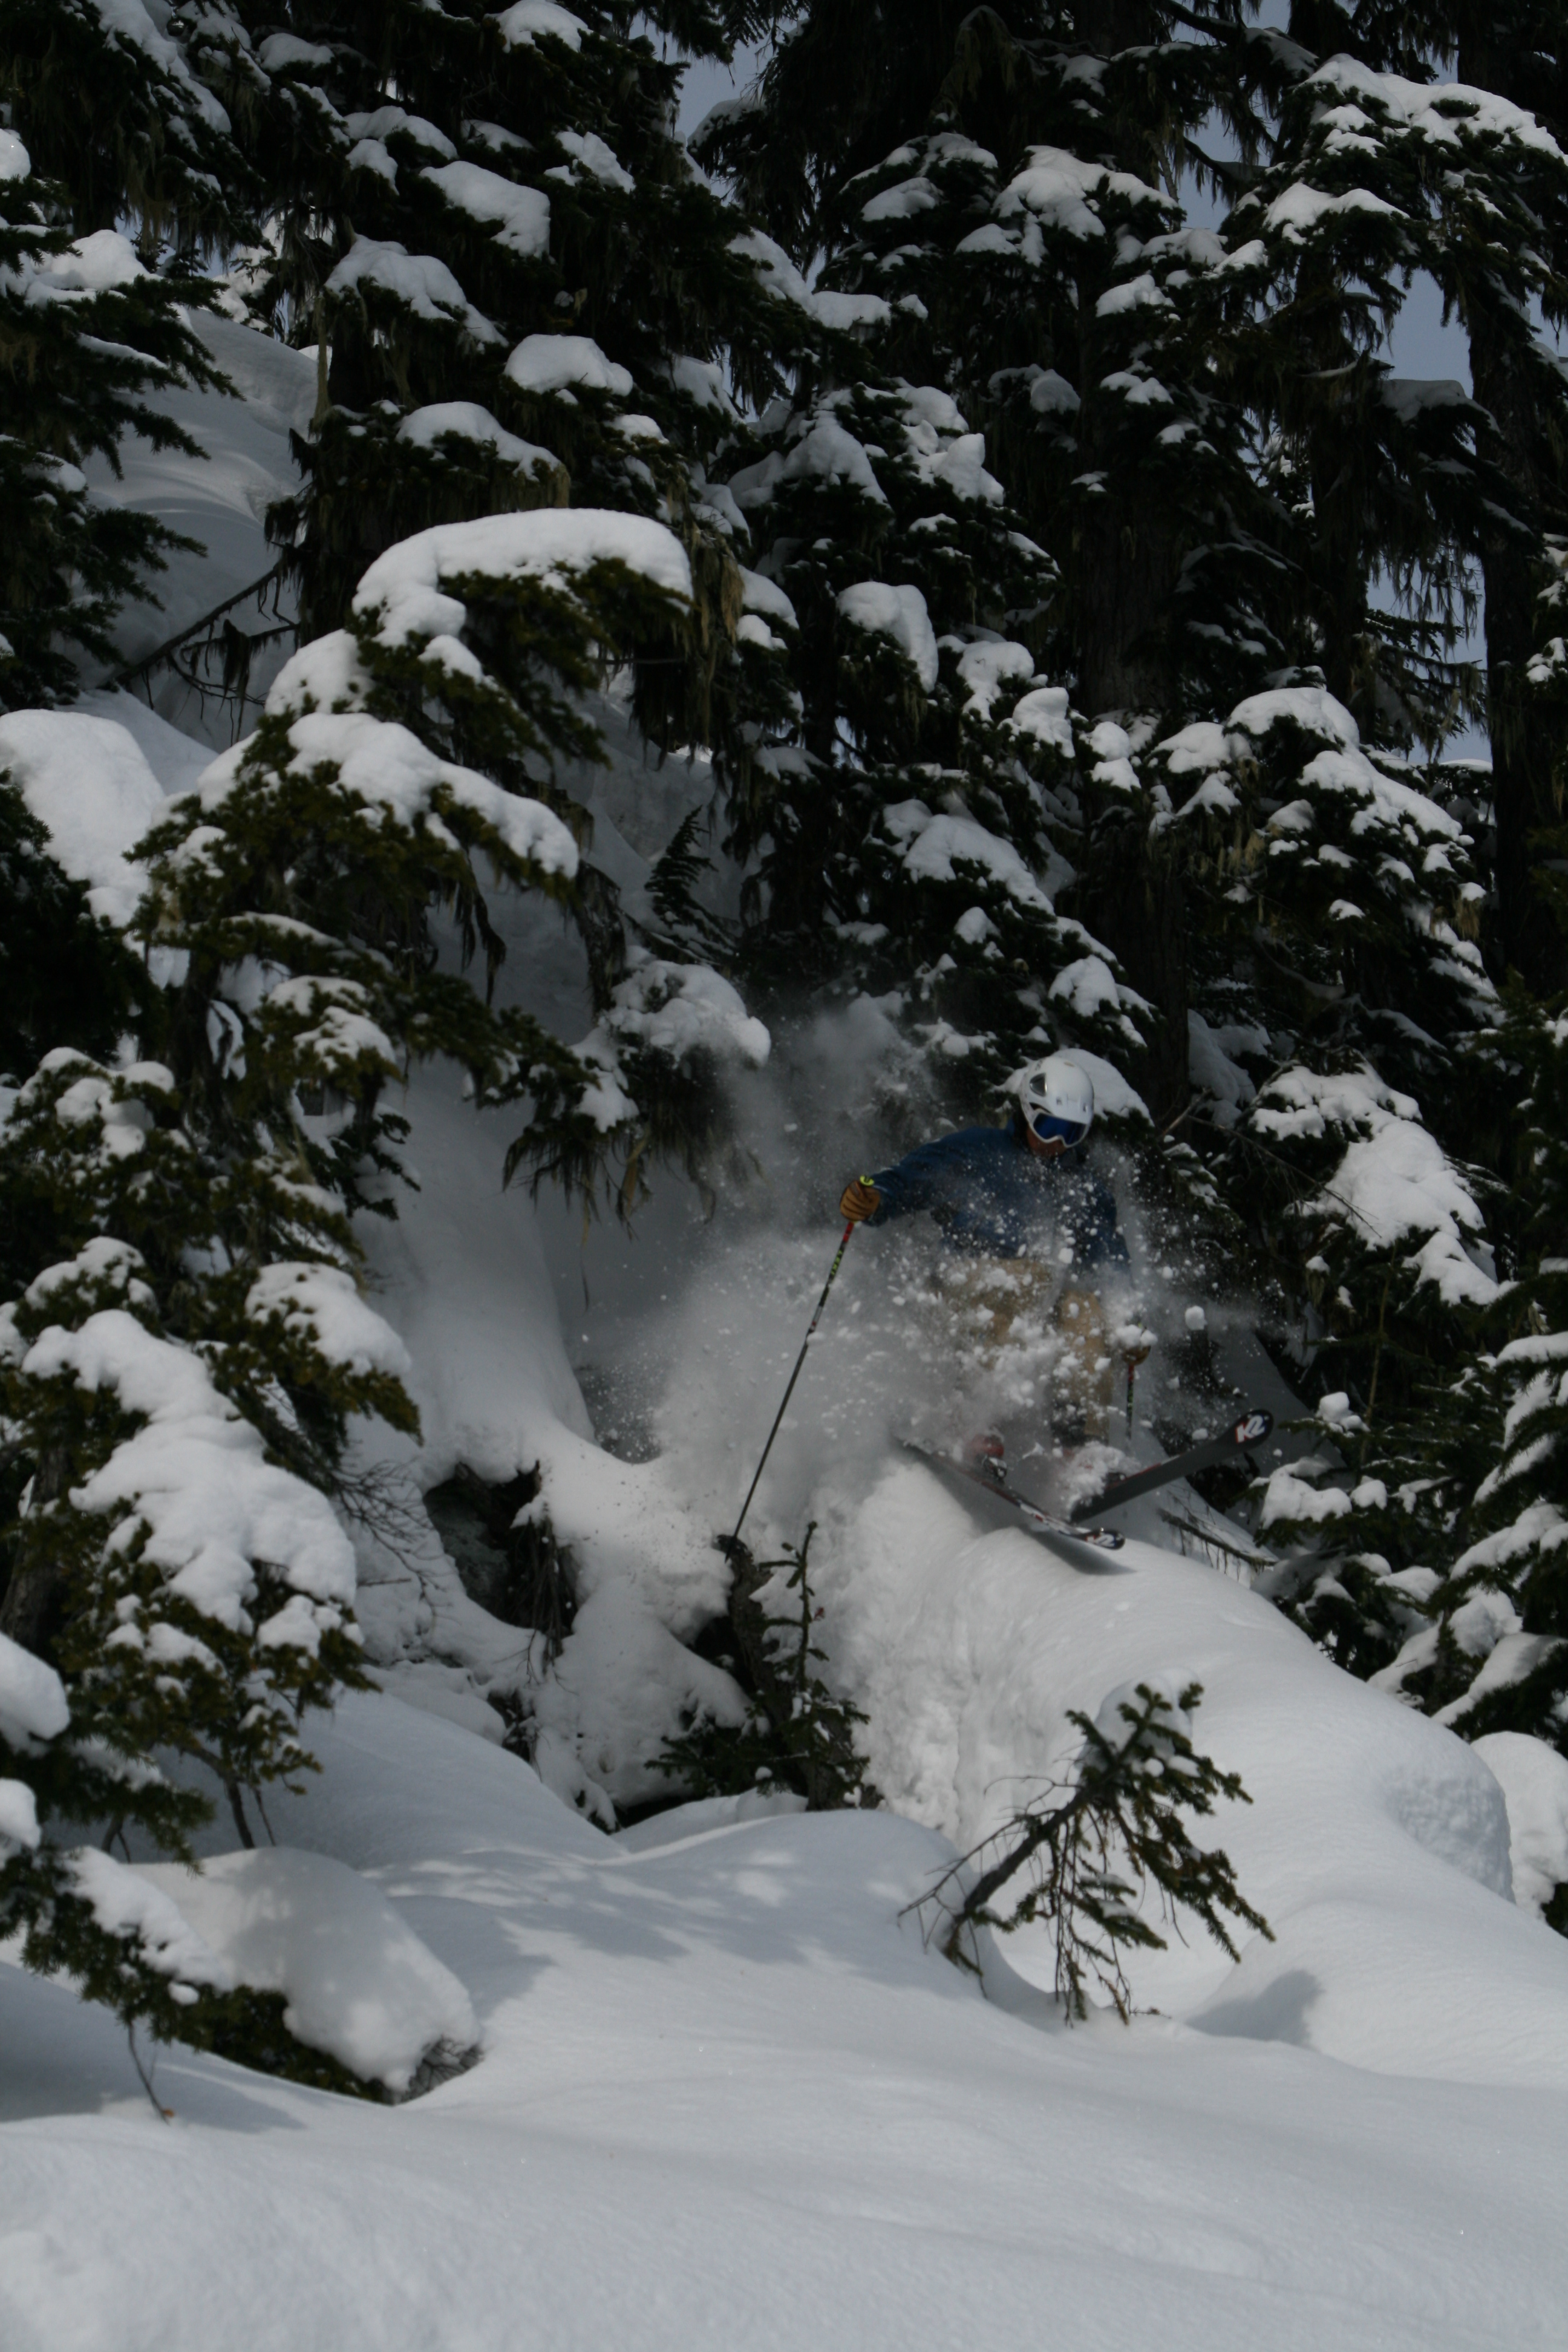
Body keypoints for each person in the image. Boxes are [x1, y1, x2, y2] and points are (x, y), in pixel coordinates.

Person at [838, 1054, 1147, 1450]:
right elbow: (907, 1180)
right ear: (1028, 1113)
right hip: (961, 1287)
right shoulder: (979, 1151)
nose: (1057, 1143)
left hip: (1035, 1301)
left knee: (1085, 1311)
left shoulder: (1084, 1189)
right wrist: (873, 1195)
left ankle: (1079, 1450)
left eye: (1071, 1133)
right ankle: (972, 1421)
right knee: (1024, 1279)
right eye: (1050, 1126)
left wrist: (1129, 1322)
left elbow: (1110, 1258)